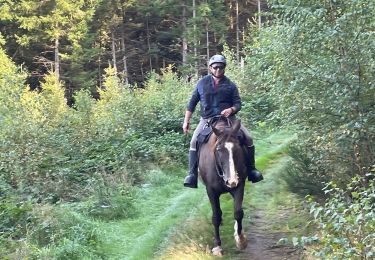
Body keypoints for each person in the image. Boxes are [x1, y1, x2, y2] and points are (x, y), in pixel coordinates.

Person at [182, 54, 263, 188]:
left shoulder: (230, 85)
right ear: (210, 68)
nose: (218, 70)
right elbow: (191, 104)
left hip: (228, 119)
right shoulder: (201, 83)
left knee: (248, 137)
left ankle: (252, 170)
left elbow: (238, 104)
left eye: (221, 67)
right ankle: (192, 175)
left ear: (224, 68)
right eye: (215, 67)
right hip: (207, 120)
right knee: (194, 141)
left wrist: (231, 110)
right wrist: (186, 121)